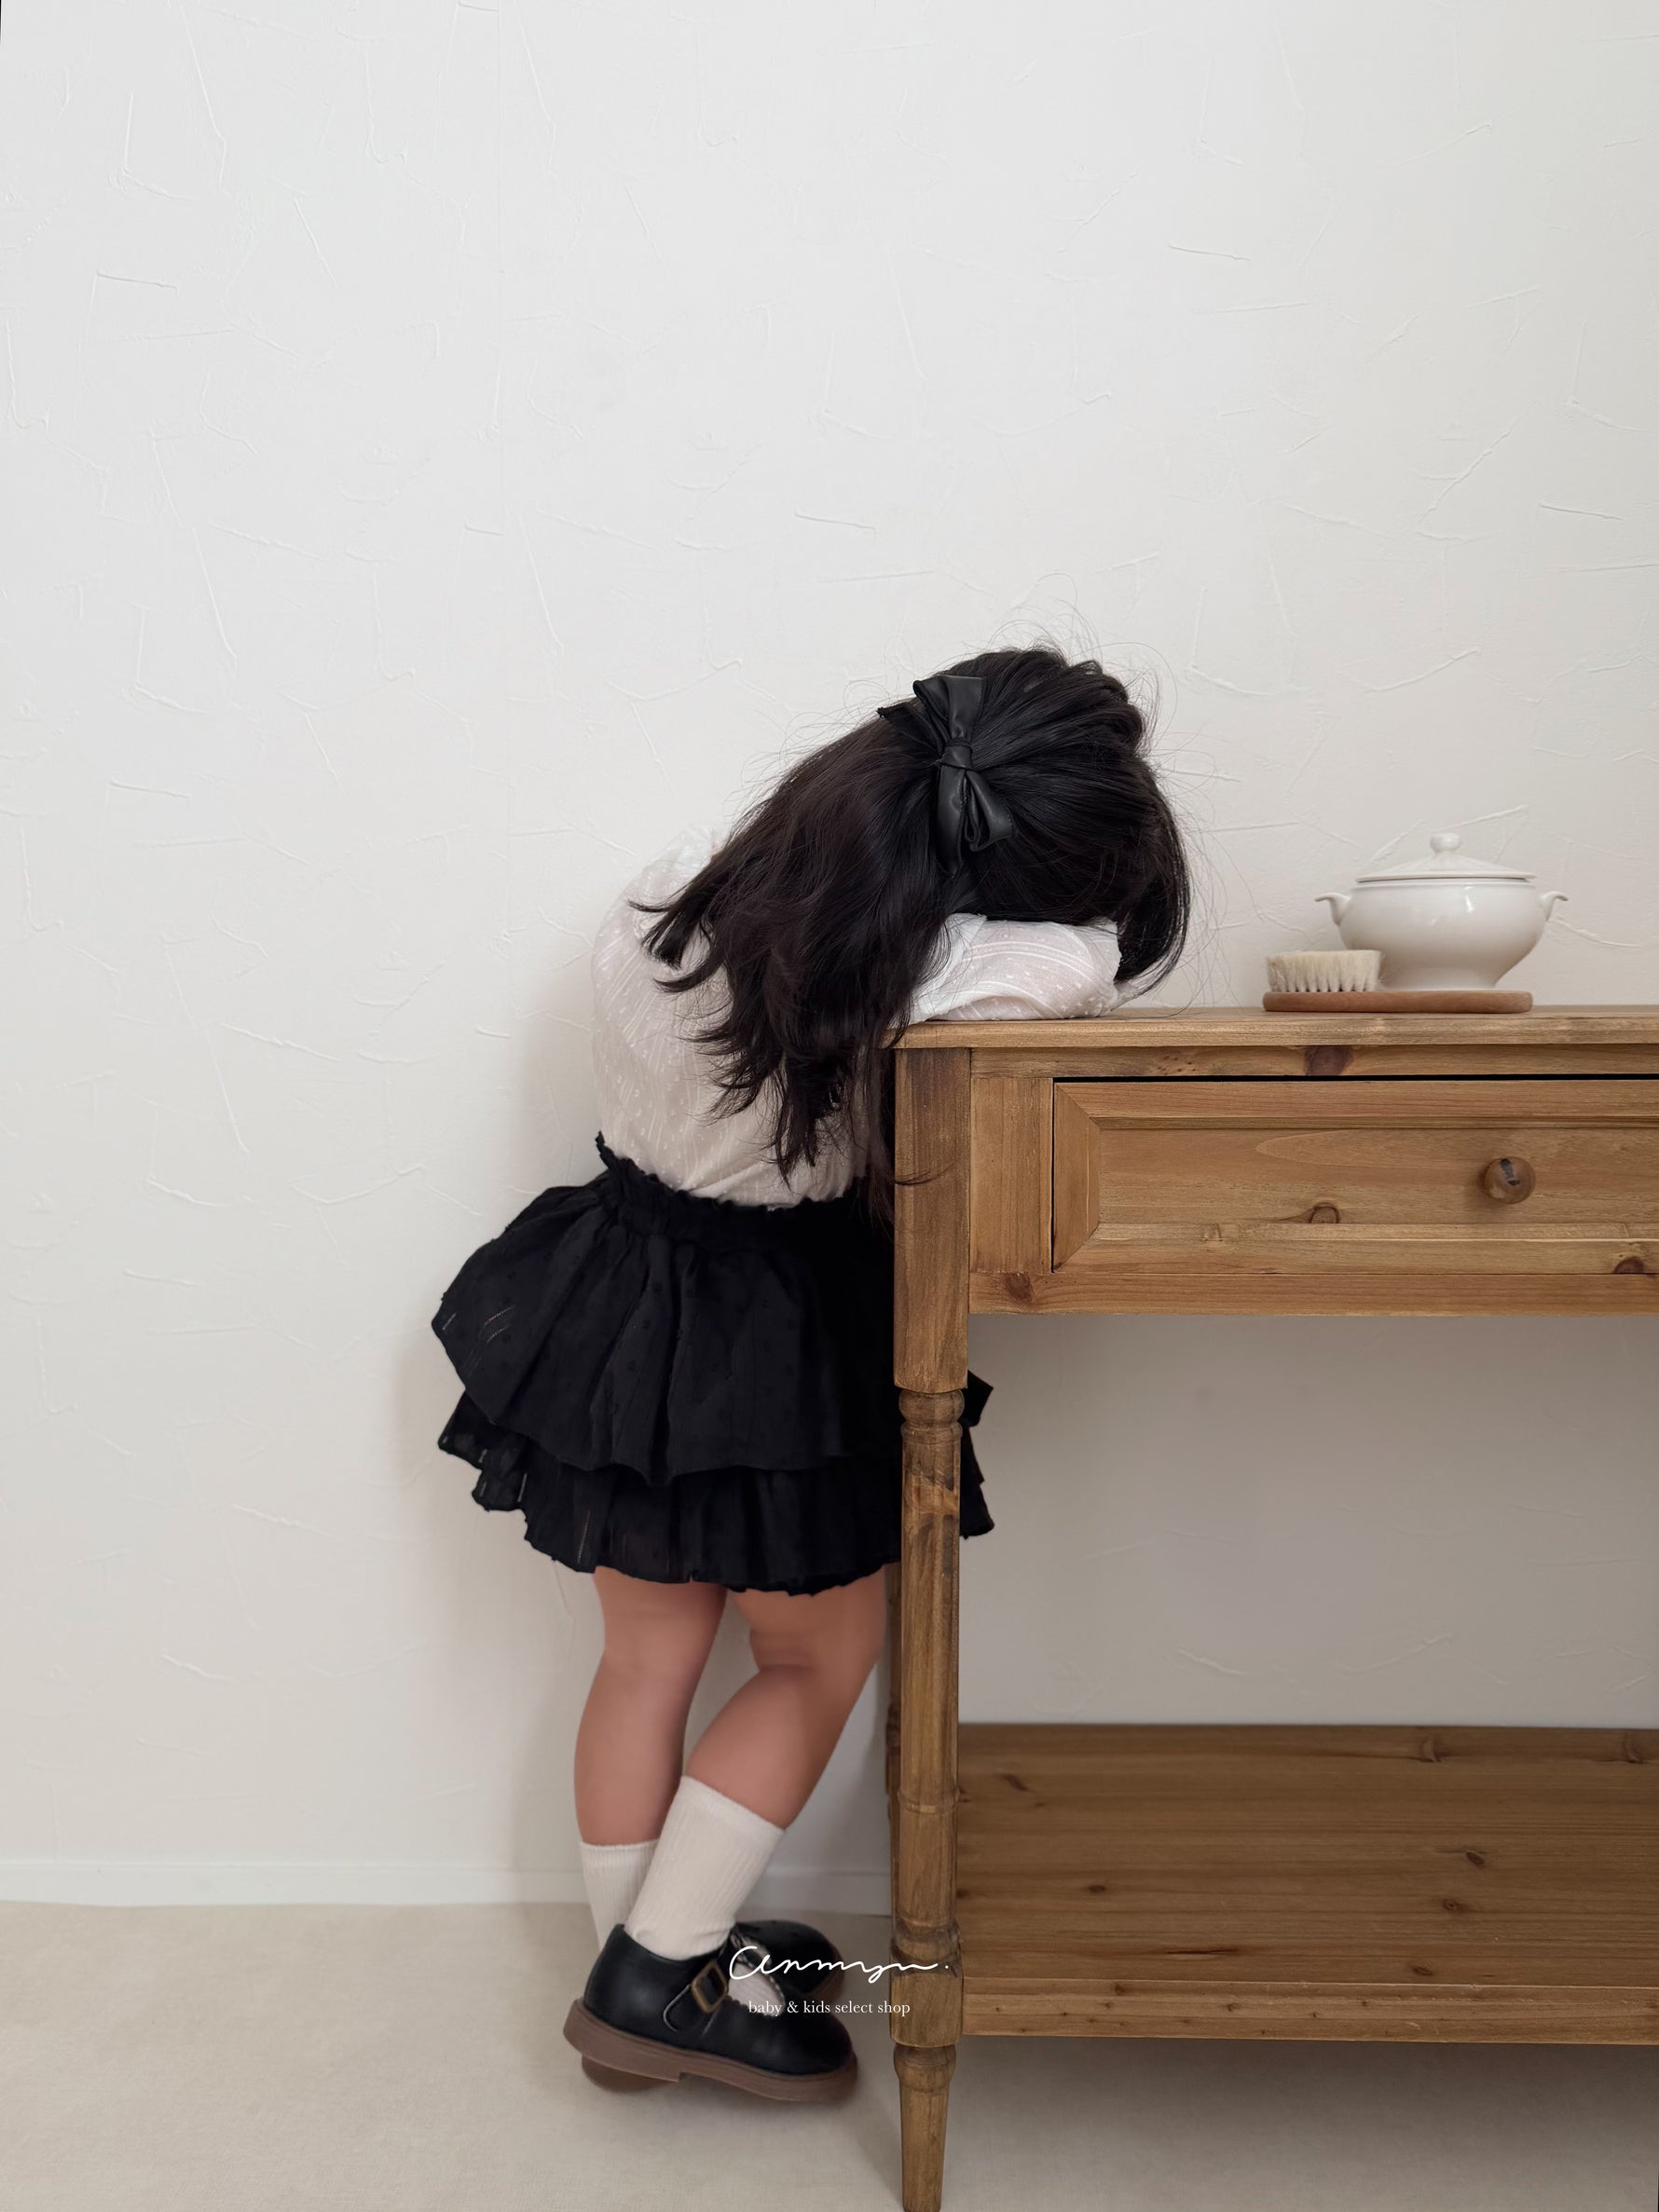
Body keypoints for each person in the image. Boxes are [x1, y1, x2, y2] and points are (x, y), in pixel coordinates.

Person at [430, 645, 1190, 2100]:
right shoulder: (947, 973)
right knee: (816, 1655)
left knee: (644, 1656)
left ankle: (637, 1967)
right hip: (773, 1325)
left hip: (617, 1293)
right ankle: (663, 1973)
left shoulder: (671, 892)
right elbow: (1070, 966)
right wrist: (1058, 925)